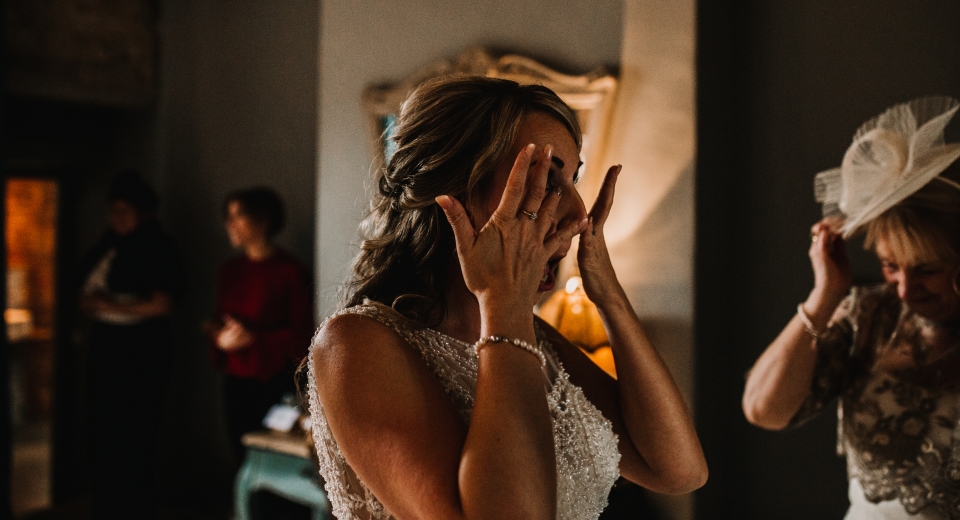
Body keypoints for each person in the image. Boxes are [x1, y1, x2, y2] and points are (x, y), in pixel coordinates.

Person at [307, 76, 707, 520]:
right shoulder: (355, 344)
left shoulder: (538, 341)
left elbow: (678, 471)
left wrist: (610, 298)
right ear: (454, 190)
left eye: (574, 179)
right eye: (545, 179)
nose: (578, 212)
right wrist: (505, 308)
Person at [743, 97, 960, 519]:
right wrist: (825, 295)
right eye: (890, 266)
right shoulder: (868, 316)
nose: (905, 288)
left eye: (927, 269)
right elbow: (762, 410)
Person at [80, 170, 184, 520]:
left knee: (135, 432)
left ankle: (135, 509)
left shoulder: (156, 247)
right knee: (103, 430)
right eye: (114, 212)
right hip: (107, 347)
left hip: (141, 351)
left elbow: (161, 303)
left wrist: (108, 305)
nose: (118, 219)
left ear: (142, 213)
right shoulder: (108, 246)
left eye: (125, 212)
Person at [210, 186, 314, 463]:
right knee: (239, 454)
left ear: (263, 219)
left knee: (274, 457)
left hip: (273, 381)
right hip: (235, 379)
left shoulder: (290, 272)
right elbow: (215, 322)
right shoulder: (229, 272)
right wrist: (221, 339)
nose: (229, 225)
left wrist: (255, 340)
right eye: (227, 217)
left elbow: (303, 336)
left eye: (238, 216)